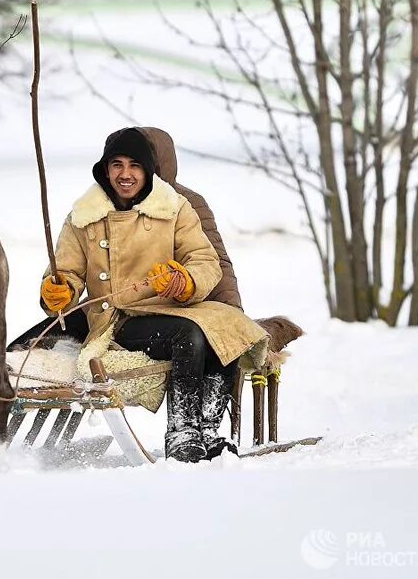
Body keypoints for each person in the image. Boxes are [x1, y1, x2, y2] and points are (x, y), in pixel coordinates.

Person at [39, 127, 267, 463]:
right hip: (118, 319)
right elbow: (66, 272)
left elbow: (205, 260)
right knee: (187, 334)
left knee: (228, 327)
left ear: (147, 171)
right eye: (117, 165)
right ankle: (182, 432)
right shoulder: (82, 218)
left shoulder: (176, 208)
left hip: (175, 306)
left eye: (135, 165)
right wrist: (59, 290)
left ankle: (207, 432)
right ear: (105, 170)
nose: (125, 174)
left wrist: (184, 282)